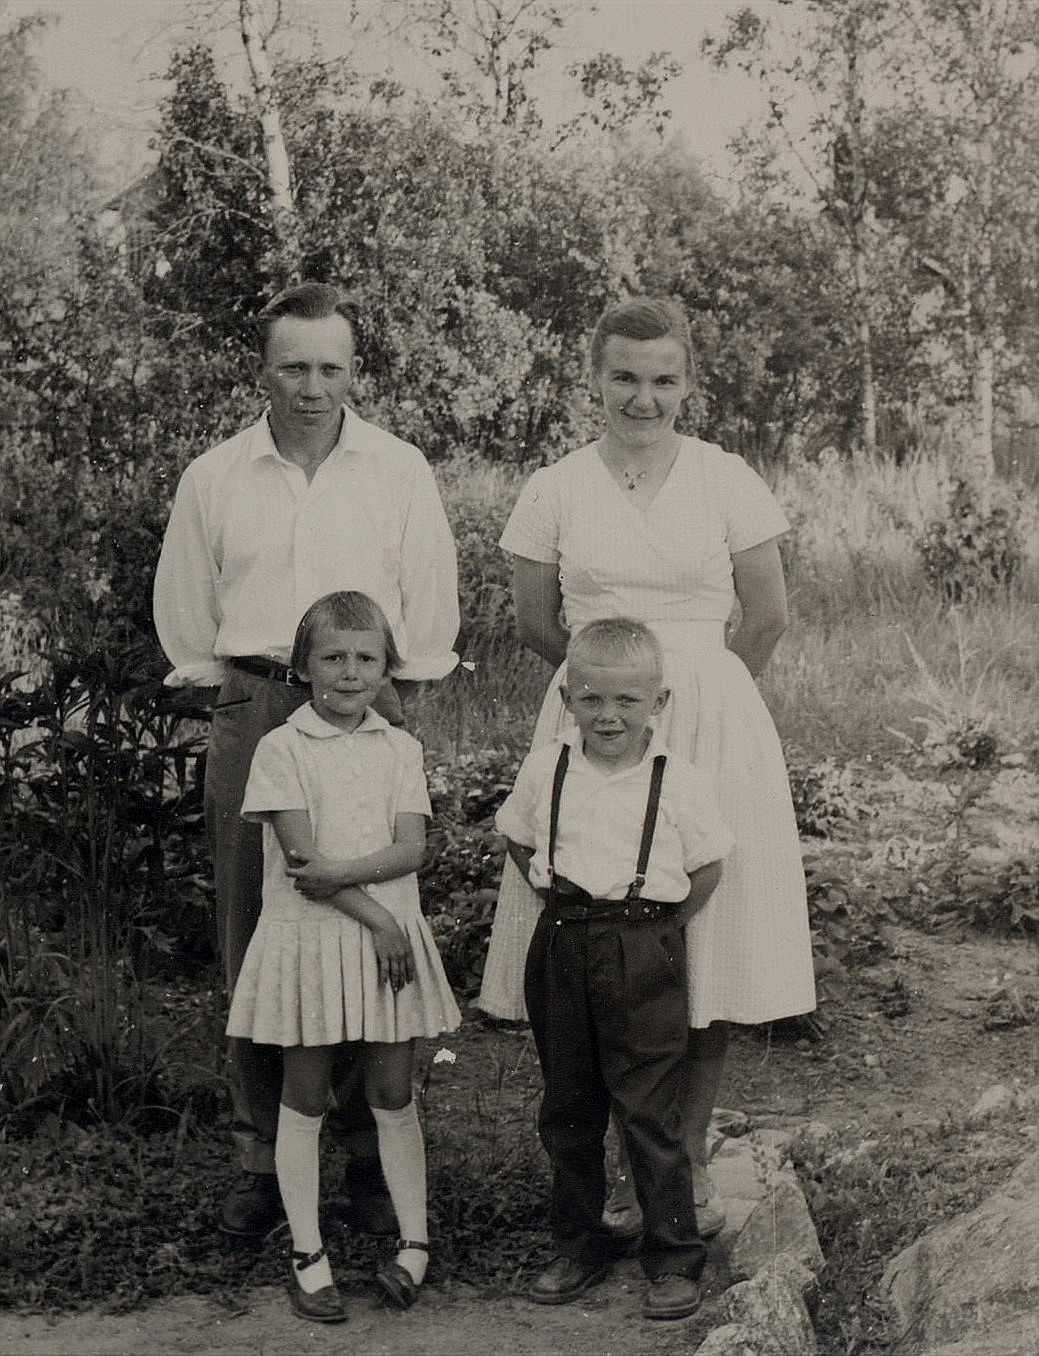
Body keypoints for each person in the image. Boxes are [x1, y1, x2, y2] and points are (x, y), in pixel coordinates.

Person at [477, 296, 816, 1239]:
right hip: (594, 717)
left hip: (707, 710)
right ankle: (602, 1171)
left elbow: (768, 613)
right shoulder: (553, 486)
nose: (643, 396)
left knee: (697, 947)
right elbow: (537, 625)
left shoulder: (725, 478)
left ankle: (681, 1166)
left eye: (663, 378)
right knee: (599, 935)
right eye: (624, 376)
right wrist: (611, 701)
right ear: (593, 380)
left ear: (687, 385)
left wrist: (696, 693)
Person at [153, 282, 459, 1239]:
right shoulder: (215, 476)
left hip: (375, 702)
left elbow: (431, 598)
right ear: (264, 369)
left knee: (378, 917)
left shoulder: (397, 470)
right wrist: (249, 701)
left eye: (331, 367)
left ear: (353, 370)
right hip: (255, 701)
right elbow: (187, 610)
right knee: (259, 925)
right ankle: (260, 1155)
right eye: (295, 366)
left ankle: (373, 1154)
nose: (313, 386)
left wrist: (391, 699)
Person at [226, 591, 460, 1322]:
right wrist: (376, 917)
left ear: (388, 669)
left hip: (387, 940)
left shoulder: (401, 749)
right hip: (313, 939)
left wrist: (371, 907)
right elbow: (304, 862)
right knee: (307, 1091)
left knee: (391, 1090)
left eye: (366, 658)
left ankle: (414, 1244)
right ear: (302, 667)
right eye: (332, 657)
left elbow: (410, 847)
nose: (349, 673)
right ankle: (308, 1253)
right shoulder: (281, 748)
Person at [497, 618, 733, 1321]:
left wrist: (657, 930)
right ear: (568, 698)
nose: (609, 716)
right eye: (593, 700)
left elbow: (708, 866)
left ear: (656, 704)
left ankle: (671, 1256)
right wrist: (557, 895)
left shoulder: (680, 781)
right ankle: (578, 1244)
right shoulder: (547, 768)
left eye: (627, 702)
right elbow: (518, 838)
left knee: (648, 1111)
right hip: (563, 939)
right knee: (568, 1104)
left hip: (643, 944)